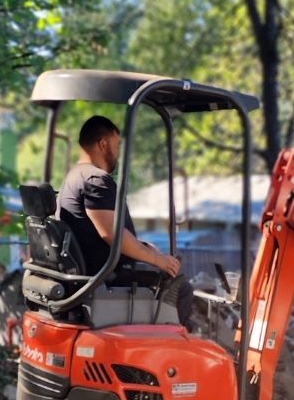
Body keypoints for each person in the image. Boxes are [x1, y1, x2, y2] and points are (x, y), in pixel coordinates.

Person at [56, 115, 193, 327]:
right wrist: (159, 260)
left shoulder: (74, 177)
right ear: (103, 143)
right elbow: (111, 235)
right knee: (181, 288)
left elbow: (105, 233)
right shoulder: (95, 180)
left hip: (94, 269)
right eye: (117, 144)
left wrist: (146, 249)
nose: (118, 152)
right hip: (108, 276)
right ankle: (168, 348)